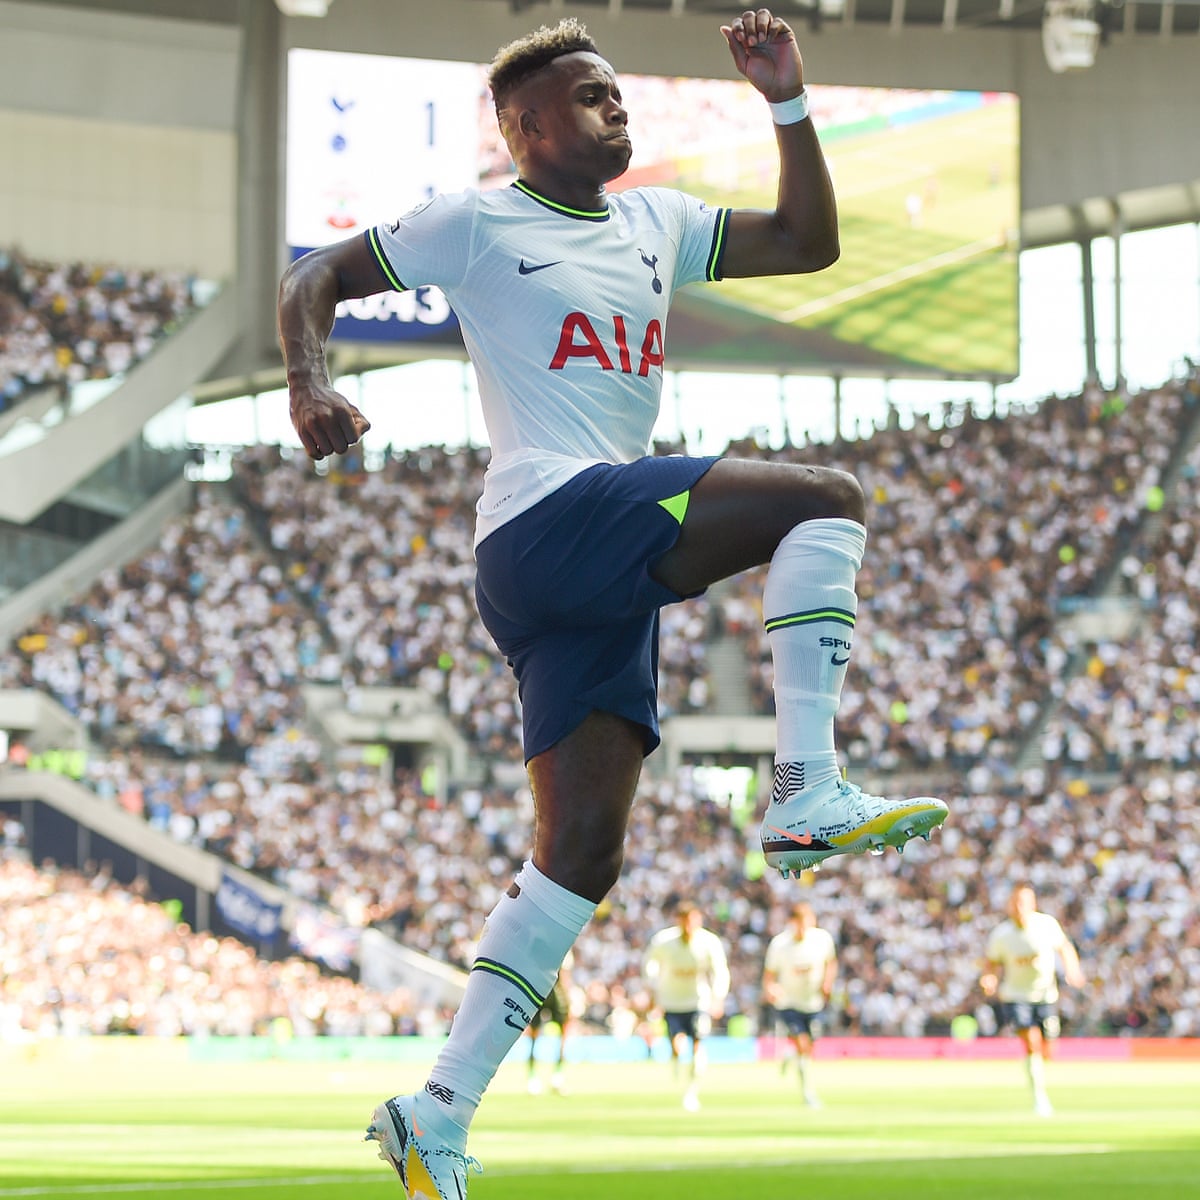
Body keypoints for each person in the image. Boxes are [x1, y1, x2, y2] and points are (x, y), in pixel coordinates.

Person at [278, 9, 948, 1196]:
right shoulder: (478, 218)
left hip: (580, 571)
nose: (615, 107)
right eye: (588, 98)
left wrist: (788, 102)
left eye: (616, 92)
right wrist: (309, 380)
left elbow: (807, 240)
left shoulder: (656, 221)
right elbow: (314, 277)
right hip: (548, 519)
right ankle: (804, 791)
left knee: (581, 856)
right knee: (823, 498)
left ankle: (436, 1110)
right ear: (526, 130)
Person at [980, 883, 1086, 1117]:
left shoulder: (1046, 925)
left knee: (1048, 1048)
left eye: (1023, 903)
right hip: (1016, 995)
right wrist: (989, 979)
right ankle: (1039, 1096)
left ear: (1032, 904)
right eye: (1015, 903)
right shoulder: (1001, 934)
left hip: (1045, 994)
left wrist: (1073, 969)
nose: (1019, 908)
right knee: (1030, 1041)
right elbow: (992, 962)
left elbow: (1065, 948)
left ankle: (1037, 1071)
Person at [642, 902, 731, 1112]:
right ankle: (676, 1061)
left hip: (698, 1001)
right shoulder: (664, 941)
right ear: (678, 921)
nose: (689, 926)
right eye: (685, 921)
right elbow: (649, 964)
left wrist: (718, 997)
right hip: (671, 1001)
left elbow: (720, 971)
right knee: (677, 1044)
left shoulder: (709, 941)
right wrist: (652, 987)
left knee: (698, 1044)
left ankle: (692, 1091)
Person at [762, 901, 836, 1107]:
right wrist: (771, 989)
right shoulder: (779, 944)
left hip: (813, 1002)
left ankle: (790, 1054)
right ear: (791, 923)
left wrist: (827, 983)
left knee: (808, 1046)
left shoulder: (822, 939)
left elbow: (831, 962)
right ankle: (808, 1093)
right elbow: (769, 974)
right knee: (803, 1044)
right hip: (789, 1002)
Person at [525, 952, 573, 1095]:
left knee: (563, 1033)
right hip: (540, 987)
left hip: (555, 989)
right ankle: (533, 1077)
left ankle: (557, 1077)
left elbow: (565, 974)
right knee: (533, 1036)